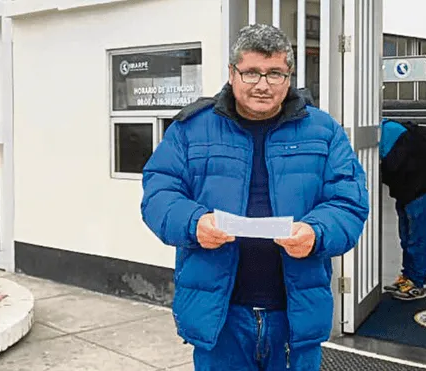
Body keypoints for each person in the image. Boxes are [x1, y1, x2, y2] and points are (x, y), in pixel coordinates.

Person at [140, 24, 369, 371]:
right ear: (232, 73)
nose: (263, 85)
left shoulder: (324, 131)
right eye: (251, 73)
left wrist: (317, 232)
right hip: (221, 317)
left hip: (294, 318)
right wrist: (193, 223)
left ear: (288, 76)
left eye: (274, 73)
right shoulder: (190, 130)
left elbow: (349, 203)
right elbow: (159, 192)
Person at [380, 118, 426, 301]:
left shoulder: (390, 135)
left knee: (417, 240)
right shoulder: (393, 131)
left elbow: (392, 167)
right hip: (409, 194)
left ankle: (417, 283)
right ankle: (407, 278)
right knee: (407, 239)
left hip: (419, 194)